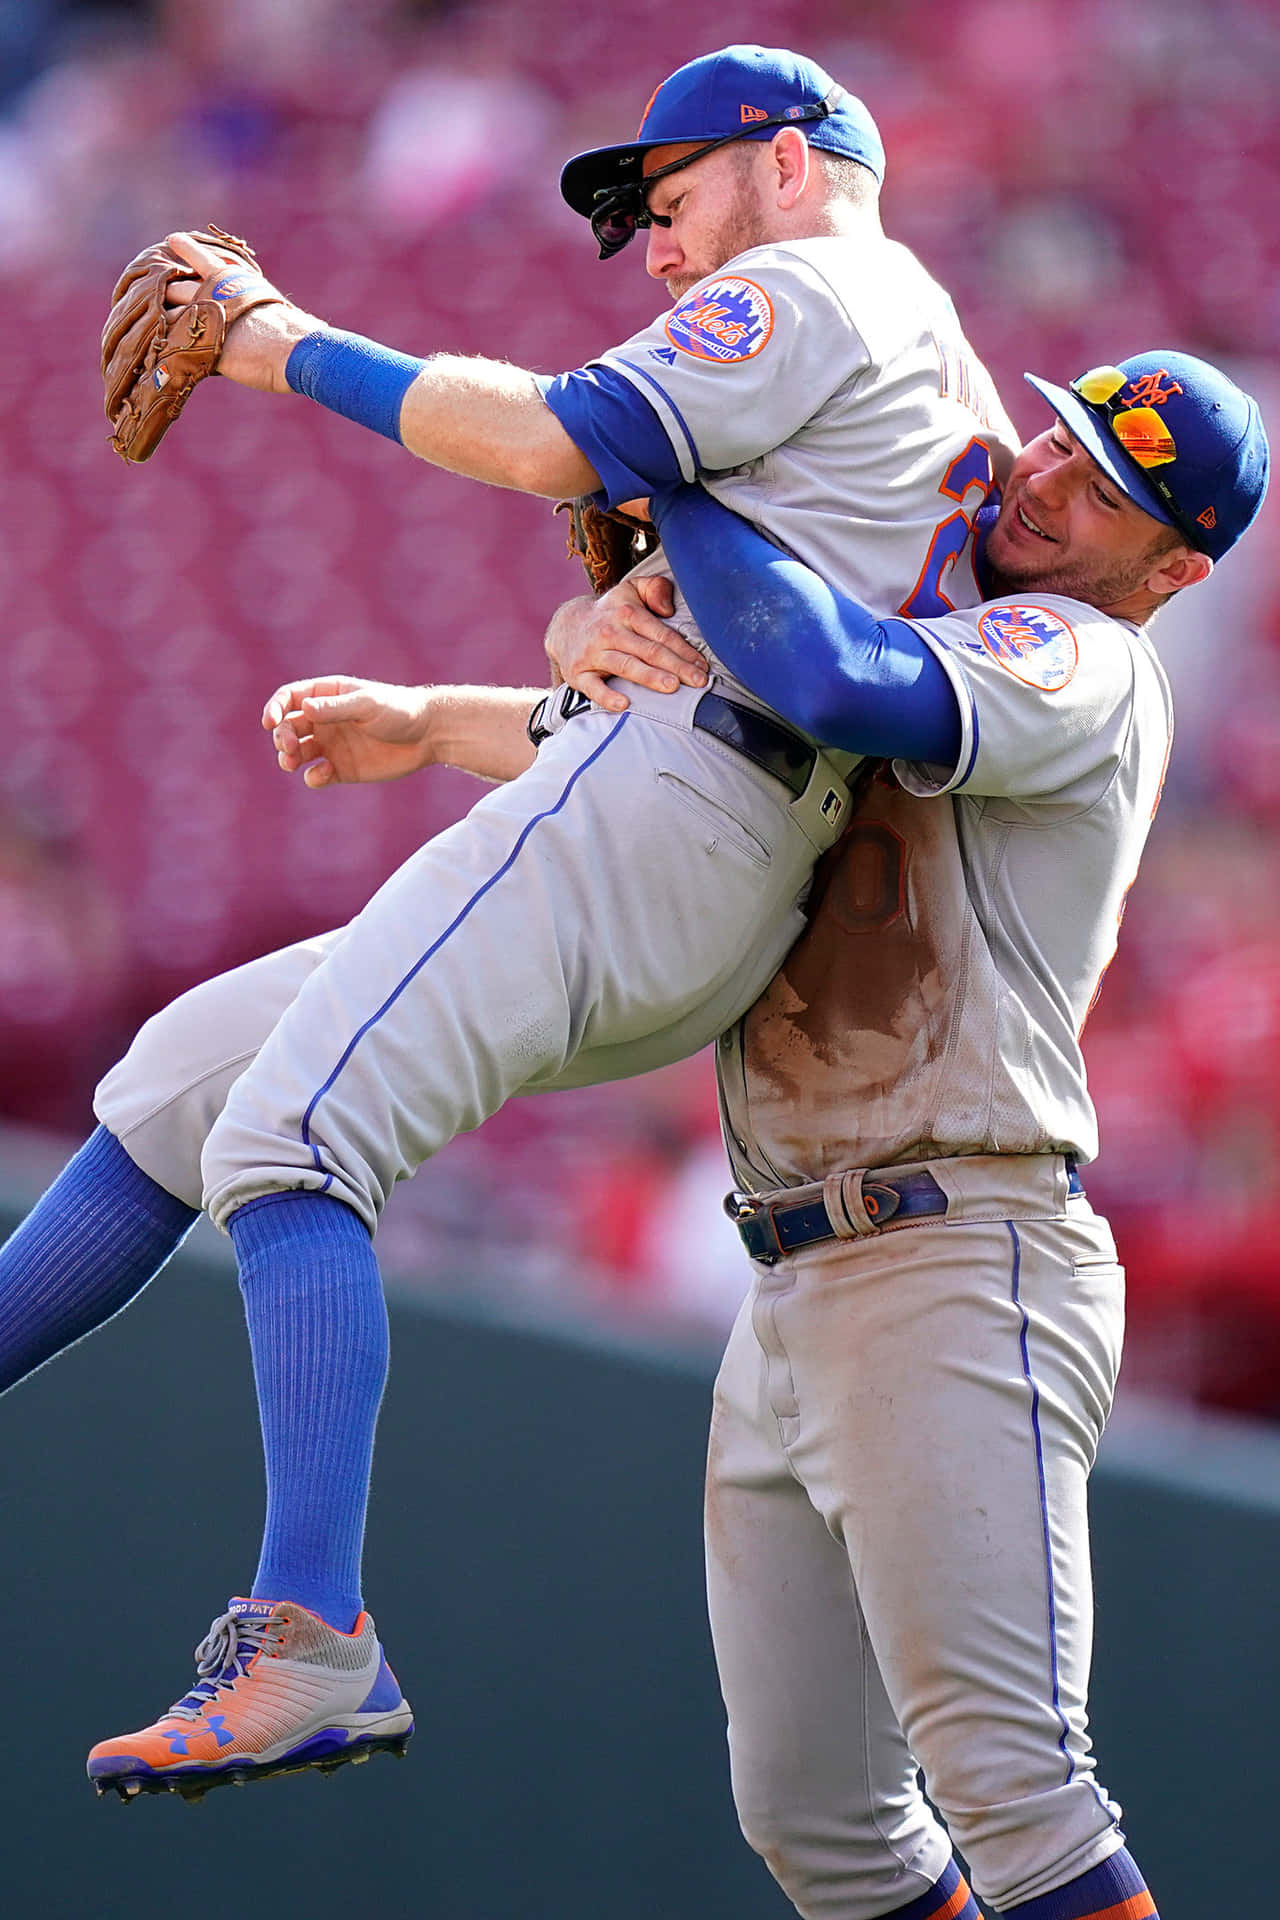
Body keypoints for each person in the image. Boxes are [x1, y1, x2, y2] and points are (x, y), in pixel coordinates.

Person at [3, 42, 1019, 1807]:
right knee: (189, 1075)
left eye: (674, 194)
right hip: (689, 828)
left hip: (672, 813)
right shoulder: (905, 363)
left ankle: (309, 1633)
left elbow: (554, 432)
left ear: (788, 160)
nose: (657, 248)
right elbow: (697, 648)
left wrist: (270, 339)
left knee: (297, 1133)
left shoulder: (831, 278)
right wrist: (440, 709)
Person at [256, 351, 1267, 1920]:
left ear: (1176, 569)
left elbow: (833, 685)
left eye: (1106, 493)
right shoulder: (931, 601)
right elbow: (705, 758)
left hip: (958, 1239)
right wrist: (447, 716)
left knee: (1023, 1798)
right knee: (822, 1826)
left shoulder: (1079, 655)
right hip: (793, 1260)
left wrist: (682, 480)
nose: (1048, 483)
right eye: (1056, 442)